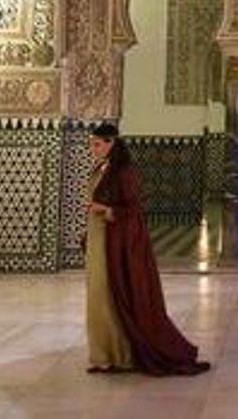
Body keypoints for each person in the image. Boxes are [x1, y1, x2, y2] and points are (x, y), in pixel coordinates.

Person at [85, 123, 211, 375]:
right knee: (100, 297)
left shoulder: (124, 171)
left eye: (97, 144)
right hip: (100, 240)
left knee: (114, 296)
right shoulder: (102, 167)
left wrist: (105, 210)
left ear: (112, 143)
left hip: (119, 243)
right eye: (92, 144)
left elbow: (132, 210)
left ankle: (121, 354)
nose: (93, 149)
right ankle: (106, 354)